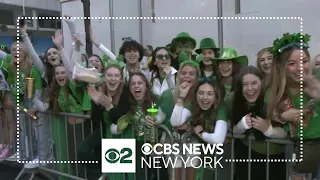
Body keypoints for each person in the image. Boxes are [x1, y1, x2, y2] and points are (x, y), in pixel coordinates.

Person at [266, 33, 320, 178]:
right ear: (282, 66)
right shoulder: (276, 91)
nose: (299, 68)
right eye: (292, 63)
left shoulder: (318, 78)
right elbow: (268, 114)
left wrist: (317, 90)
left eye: (304, 61)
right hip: (301, 154)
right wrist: (283, 116)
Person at [230, 66, 287, 180]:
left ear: (262, 83)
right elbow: (228, 129)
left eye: (254, 83)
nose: (250, 88)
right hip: (245, 158)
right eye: (245, 84)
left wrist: (269, 130)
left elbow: (286, 131)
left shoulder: (273, 101)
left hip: (274, 160)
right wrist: (241, 126)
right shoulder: (233, 100)